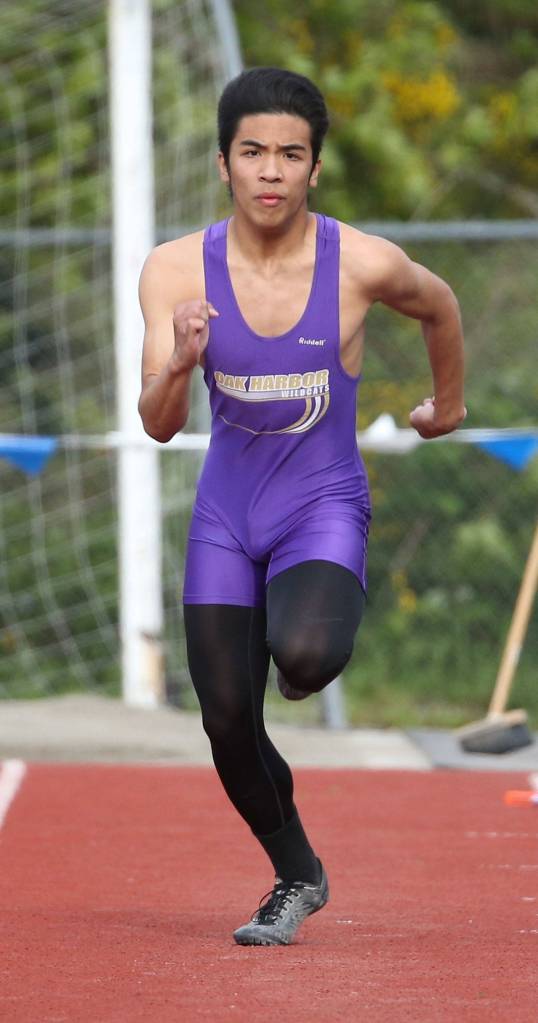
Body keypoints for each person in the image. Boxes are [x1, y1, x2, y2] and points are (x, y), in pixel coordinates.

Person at [138, 67, 466, 946]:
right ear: (224, 164)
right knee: (225, 717)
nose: (271, 170)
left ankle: (295, 638)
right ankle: (297, 874)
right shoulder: (174, 268)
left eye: (291, 154)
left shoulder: (360, 261)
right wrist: (178, 362)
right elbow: (160, 425)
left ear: (314, 169)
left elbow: (439, 306)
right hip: (226, 515)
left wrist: (450, 404)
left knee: (310, 654)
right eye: (253, 153)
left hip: (320, 501)